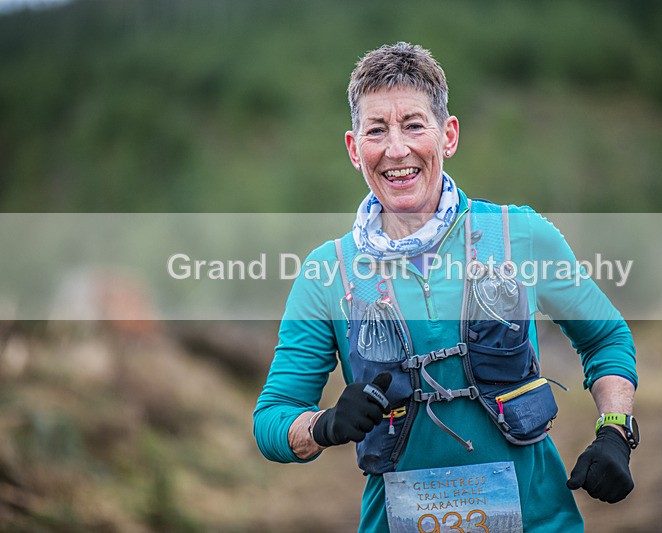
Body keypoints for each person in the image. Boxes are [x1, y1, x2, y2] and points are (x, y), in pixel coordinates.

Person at [254, 42, 638, 532]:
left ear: (448, 135)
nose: (396, 149)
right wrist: (323, 425)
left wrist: (615, 431)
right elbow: (271, 420)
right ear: (354, 148)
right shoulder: (326, 272)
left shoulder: (518, 234)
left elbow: (605, 337)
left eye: (413, 124)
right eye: (377, 130)